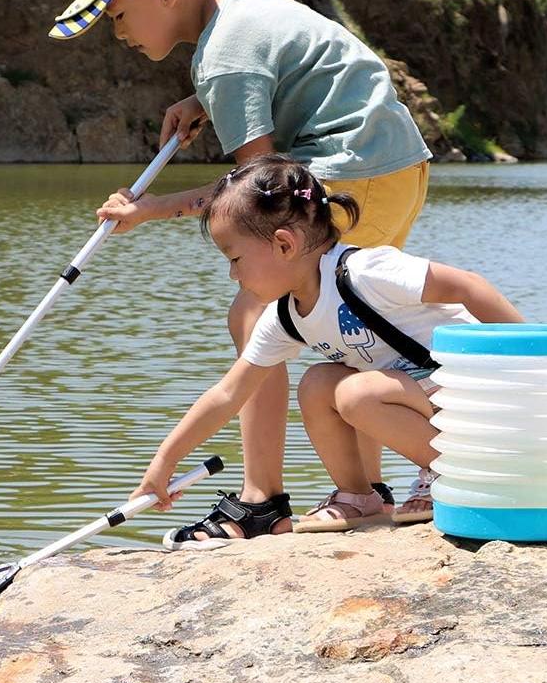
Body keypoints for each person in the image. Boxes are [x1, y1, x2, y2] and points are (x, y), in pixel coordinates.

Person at [49, 0, 435, 542]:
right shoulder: (239, 10)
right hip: (391, 167)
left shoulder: (224, 60)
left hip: (353, 171)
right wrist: (204, 99)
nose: (116, 34)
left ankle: (262, 500)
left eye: (116, 16)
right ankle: (363, 491)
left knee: (255, 313)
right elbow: (280, 67)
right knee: (345, 319)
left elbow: (258, 198)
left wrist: (151, 209)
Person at [129, 154, 524, 542]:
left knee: (356, 393)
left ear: (284, 244)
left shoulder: (366, 272)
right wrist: (164, 460)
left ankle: (455, 473)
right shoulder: (286, 317)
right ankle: (358, 497)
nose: (233, 274)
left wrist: (538, 358)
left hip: (478, 400)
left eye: (235, 259)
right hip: (427, 399)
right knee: (317, 383)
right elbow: (229, 393)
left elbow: (469, 286)